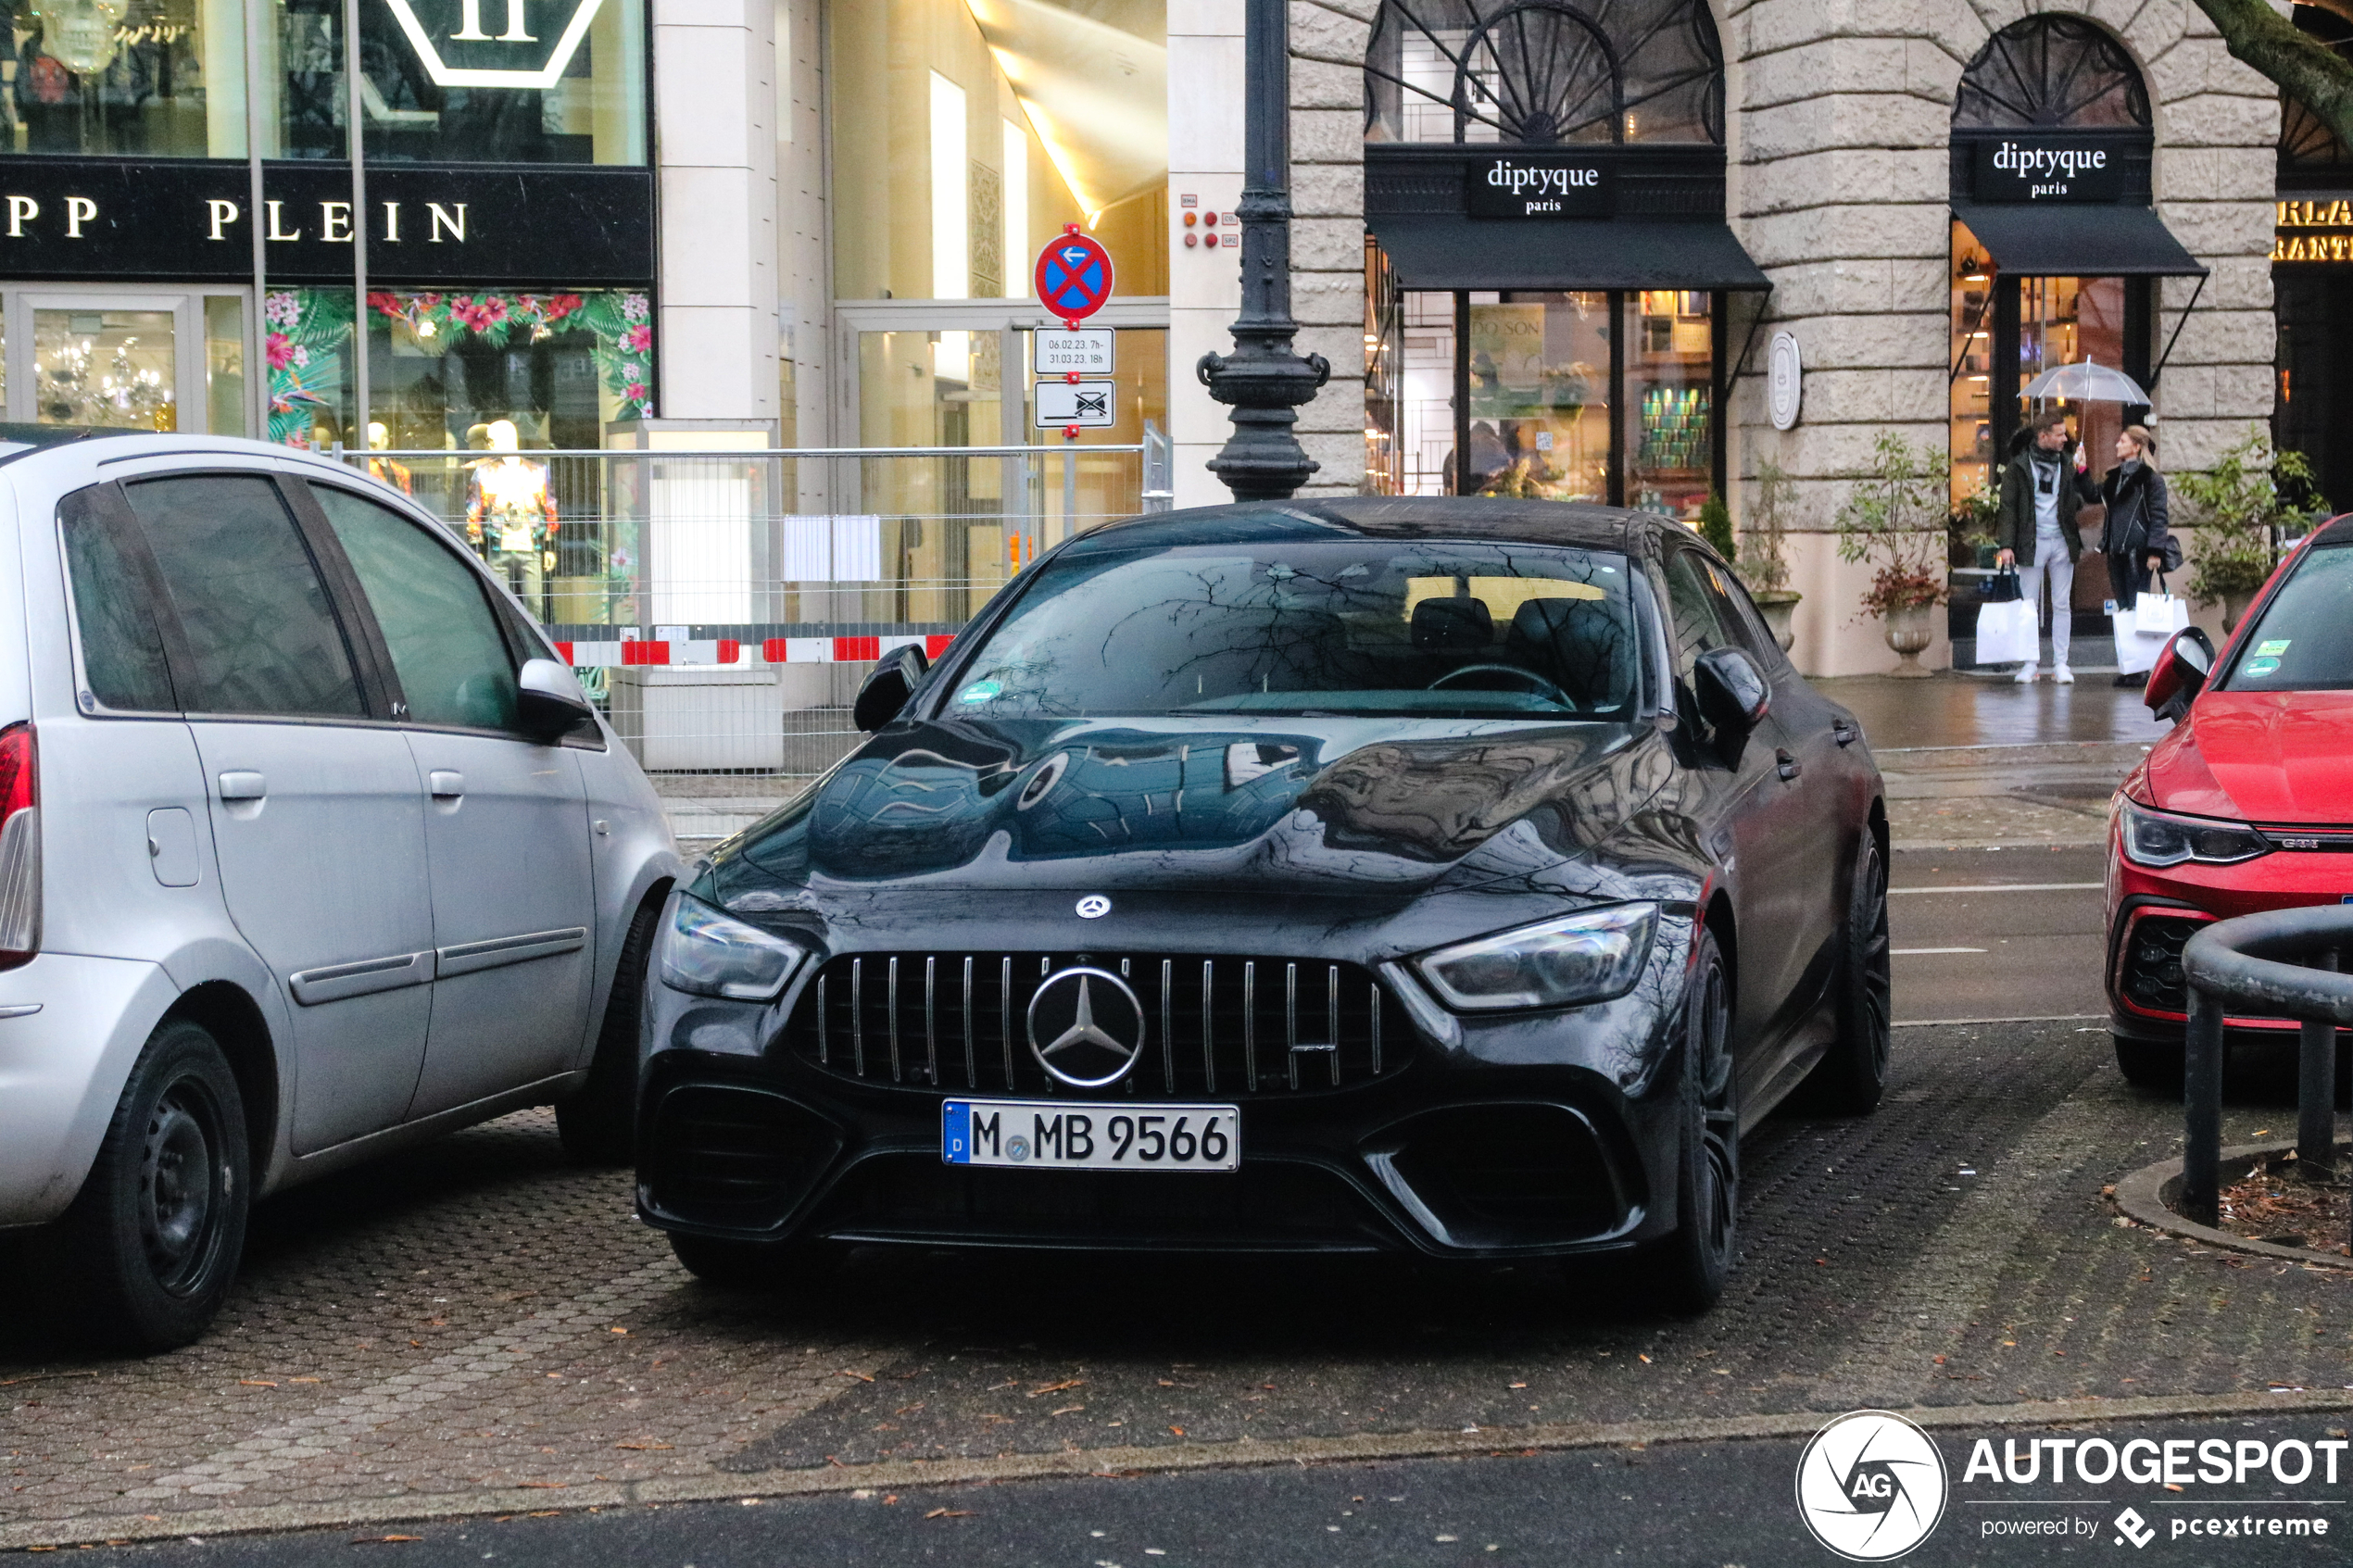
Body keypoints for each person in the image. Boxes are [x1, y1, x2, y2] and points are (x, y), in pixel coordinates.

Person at [1994, 410, 2098, 684]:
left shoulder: (2068, 464)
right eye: (2060, 434)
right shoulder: (2018, 467)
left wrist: (2084, 470)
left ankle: (2061, 664)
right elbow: (2008, 508)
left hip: (2062, 542)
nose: (2066, 438)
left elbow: (2089, 496)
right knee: (2028, 605)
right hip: (2031, 543)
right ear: (2043, 436)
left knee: (2062, 604)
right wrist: (2006, 545)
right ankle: (2030, 664)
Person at [2096, 424, 2177, 688]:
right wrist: (2082, 471)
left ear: (2136, 447)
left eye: (2122, 441)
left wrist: (2155, 551)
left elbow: (2158, 516)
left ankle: (2142, 668)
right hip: (2116, 550)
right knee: (2125, 609)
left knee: (2138, 608)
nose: (2117, 445)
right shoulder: (2114, 477)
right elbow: (2090, 495)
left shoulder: (2150, 479)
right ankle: (2130, 666)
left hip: (2138, 551)